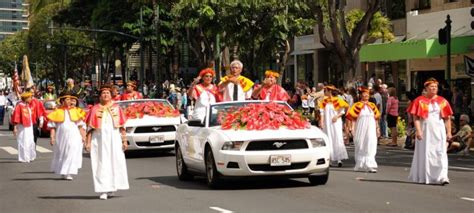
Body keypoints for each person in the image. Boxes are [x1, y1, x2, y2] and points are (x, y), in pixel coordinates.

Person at [85, 84, 129, 200]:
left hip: (114, 139)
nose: (105, 95)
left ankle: (112, 187)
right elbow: (90, 128)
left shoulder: (117, 108)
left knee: (115, 162)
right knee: (100, 163)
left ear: (111, 95)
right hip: (98, 140)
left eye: (107, 93)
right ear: (100, 96)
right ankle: (103, 189)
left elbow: (122, 126)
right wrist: (88, 142)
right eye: (103, 93)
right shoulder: (94, 109)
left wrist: (124, 140)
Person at [407, 78, 453, 185]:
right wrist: (418, 131)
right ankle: (425, 176)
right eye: (431, 87)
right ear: (426, 88)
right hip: (425, 129)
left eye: (436, 87)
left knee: (440, 152)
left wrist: (449, 132)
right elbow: (416, 118)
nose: (434, 88)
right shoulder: (419, 100)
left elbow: (447, 118)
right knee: (426, 152)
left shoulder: (442, 101)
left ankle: (442, 176)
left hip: (439, 129)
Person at [47, 91, 86, 180]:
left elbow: (80, 125)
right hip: (61, 136)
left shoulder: (75, 111)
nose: (69, 101)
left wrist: (83, 136)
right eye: (67, 99)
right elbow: (52, 126)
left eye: (70, 99)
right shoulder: (57, 112)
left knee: (71, 151)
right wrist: (52, 137)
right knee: (63, 153)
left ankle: (69, 172)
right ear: (62, 101)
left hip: (74, 135)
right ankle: (63, 171)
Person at [346, 86, 381, 172]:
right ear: (361, 95)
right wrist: (352, 129)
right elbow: (353, 118)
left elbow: (376, 118)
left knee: (371, 143)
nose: (366, 95)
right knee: (360, 143)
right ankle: (359, 163)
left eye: (368, 94)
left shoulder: (372, 106)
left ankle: (370, 165)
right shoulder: (356, 105)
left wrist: (377, 128)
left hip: (371, 128)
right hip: (360, 127)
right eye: (365, 94)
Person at [319, 85, 349, 167]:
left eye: (326, 91)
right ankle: (330, 159)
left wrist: (337, 116)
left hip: (336, 122)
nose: (324, 92)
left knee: (337, 137)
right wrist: (321, 122)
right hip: (327, 123)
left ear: (330, 91)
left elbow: (342, 111)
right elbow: (322, 112)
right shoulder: (324, 101)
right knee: (328, 138)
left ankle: (339, 159)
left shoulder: (338, 100)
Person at [11, 91, 36, 163]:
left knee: (30, 141)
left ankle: (30, 156)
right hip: (22, 127)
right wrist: (15, 127)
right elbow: (16, 116)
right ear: (26, 98)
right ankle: (24, 157)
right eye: (30, 97)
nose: (31, 99)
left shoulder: (28, 106)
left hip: (29, 126)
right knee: (23, 141)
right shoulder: (19, 106)